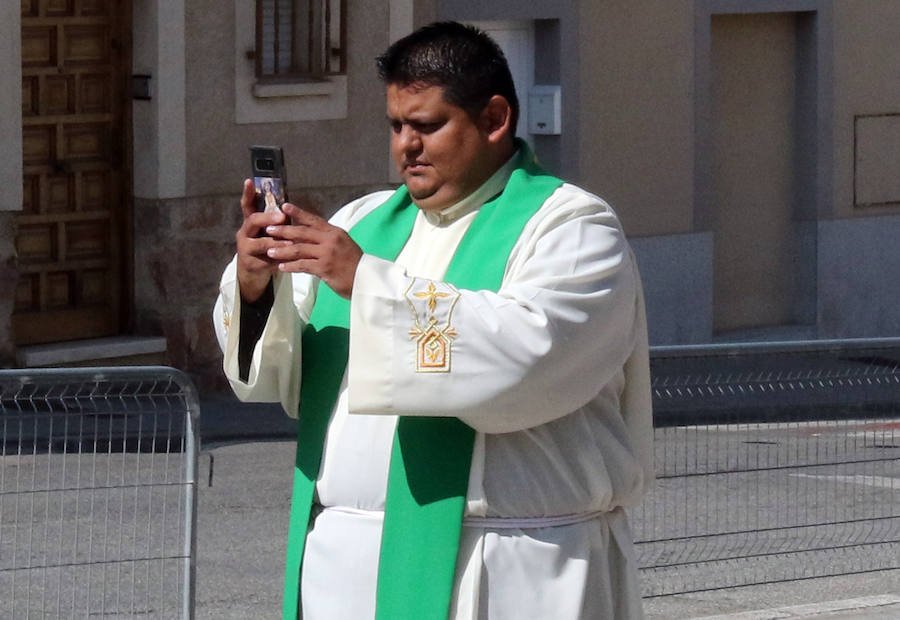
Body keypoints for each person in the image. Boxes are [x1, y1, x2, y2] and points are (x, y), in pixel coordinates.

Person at [213, 21, 653, 620]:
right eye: (396, 126)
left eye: (427, 126)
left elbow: (526, 360)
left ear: (494, 119)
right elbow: (277, 378)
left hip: (509, 569)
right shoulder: (363, 221)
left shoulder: (571, 227)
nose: (405, 147)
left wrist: (364, 281)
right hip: (347, 567)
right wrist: (255, 282)